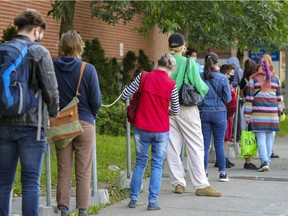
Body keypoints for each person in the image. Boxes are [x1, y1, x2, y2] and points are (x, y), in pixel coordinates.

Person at [0, 9, 59, 216]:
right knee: (31, 183)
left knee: (3, 182)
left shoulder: (3, 49)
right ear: (36, 29)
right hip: (33, 127)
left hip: (4, 124)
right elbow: (51, 91)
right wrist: (54, 112)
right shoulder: (39, 52)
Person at [122, 53, 180, 210]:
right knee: (157, 165)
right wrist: (165, 110)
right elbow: (176, 110)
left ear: (157, 63)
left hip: (142, 127)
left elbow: (125, 95)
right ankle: (152, 201)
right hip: (161, 129)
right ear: (172, 68)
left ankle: (133, 198)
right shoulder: (172, 84)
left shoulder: (144, 77)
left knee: (140, 162)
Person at [166, 33, 221, 196]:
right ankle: (201, 184)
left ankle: (178, 183)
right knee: (195, 144)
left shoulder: (163, 62)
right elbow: (200, 85)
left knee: (172, 145)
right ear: (184, 47)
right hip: (186, 107)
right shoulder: (189, 62)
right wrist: (203, 92)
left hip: (167, 107)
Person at [53, 30, 102, 215]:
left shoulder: (52, 66)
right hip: (84, 123)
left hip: (61, 124)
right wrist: (92, 115)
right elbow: (96, 100)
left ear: (62, 46)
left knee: (63, 168)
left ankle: (63, 208)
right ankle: (82, 209)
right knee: (83, 169)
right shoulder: (87, 69)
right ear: (80, 46)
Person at [244, 54, 282, 172]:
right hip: (272, 115)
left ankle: (264, 161)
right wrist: (280, 112)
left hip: (258, 114)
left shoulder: (253, 79)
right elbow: (279, 98)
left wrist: (247, 114)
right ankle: (267, 162)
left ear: (259, 64)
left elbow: (249, 99)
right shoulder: (276, 79)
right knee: (270, 138)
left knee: (260, 137)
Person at [199, 52, 232, 182]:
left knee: (205, 145)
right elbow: (228, 98)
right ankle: (223, 173)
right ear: (217, 63)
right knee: (219, 143)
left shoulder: (200, 76)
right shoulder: (223, 78)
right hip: (219, 114)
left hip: (203, 113)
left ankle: (204, 172)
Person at [239, 58, 258, 170]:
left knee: (246, 133)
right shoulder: (255, 80)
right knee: (252, 134)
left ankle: (248, 158)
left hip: (244, 106)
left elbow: (241, 96)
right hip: (254, 107)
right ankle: (249, 161)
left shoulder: (243, 80)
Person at [218, 64, 237, 168]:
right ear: (226, 73)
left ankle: (223, 157)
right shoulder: (224, 84)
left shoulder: (228, 84)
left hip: (229, 113)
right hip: (226, 113)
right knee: (225, 137)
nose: (232, 76)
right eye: (231, 73)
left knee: (227, 136)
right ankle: (222, 158)